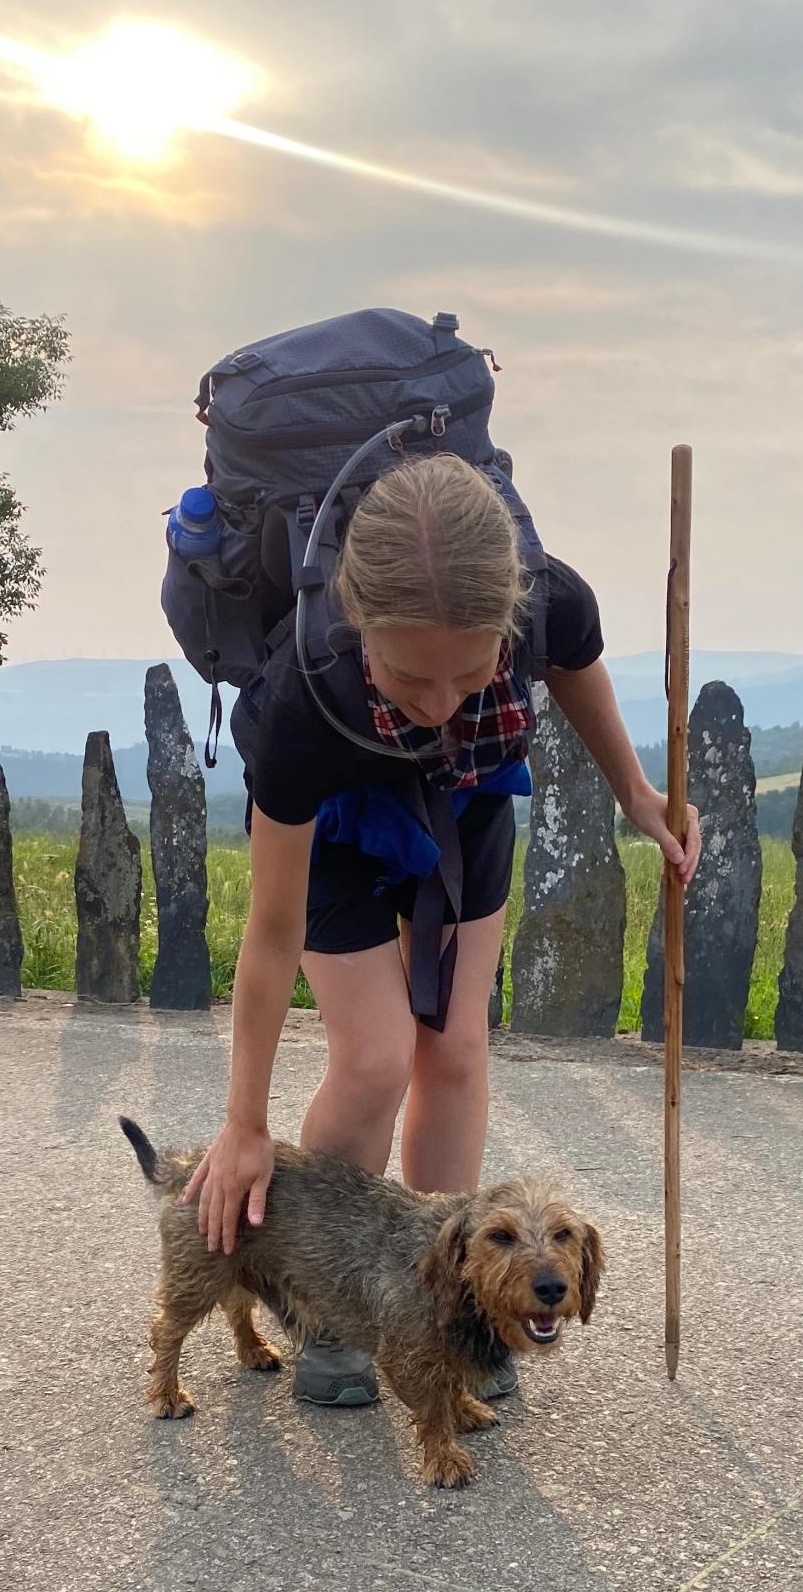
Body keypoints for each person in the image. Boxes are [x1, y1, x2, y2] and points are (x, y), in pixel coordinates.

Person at [185, 453, 700, 1407]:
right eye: (411, 675)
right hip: (334, 830)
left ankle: (460, 1313)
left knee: (456, 1050)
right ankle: (337, 1313)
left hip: (465, 811)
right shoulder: (302, 700)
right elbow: (270, 934)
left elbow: (577, 667)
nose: (440, 703)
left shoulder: (548, 598)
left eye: (472, 673)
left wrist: (637, 790)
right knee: (377, 1057)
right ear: (356, 623)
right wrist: (245, 1123)